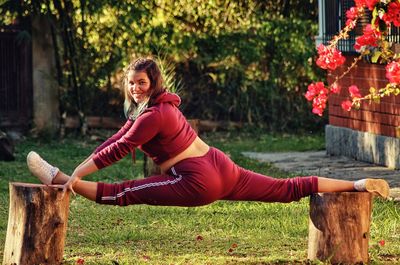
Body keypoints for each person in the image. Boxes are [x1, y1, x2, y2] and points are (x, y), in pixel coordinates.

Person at [27, 57, 390, 207]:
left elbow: (118, 148)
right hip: (220, 164)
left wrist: (78, 172)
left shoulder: (153, 114)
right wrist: (84, 164)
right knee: (286, 188)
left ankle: (62, 181)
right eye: (131, 83)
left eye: (141, 82)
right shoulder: (160, 106)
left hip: (198, 179)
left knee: (126, 192)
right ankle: (358, 184)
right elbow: (120, 135)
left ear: (153, 82)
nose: (135, 88)